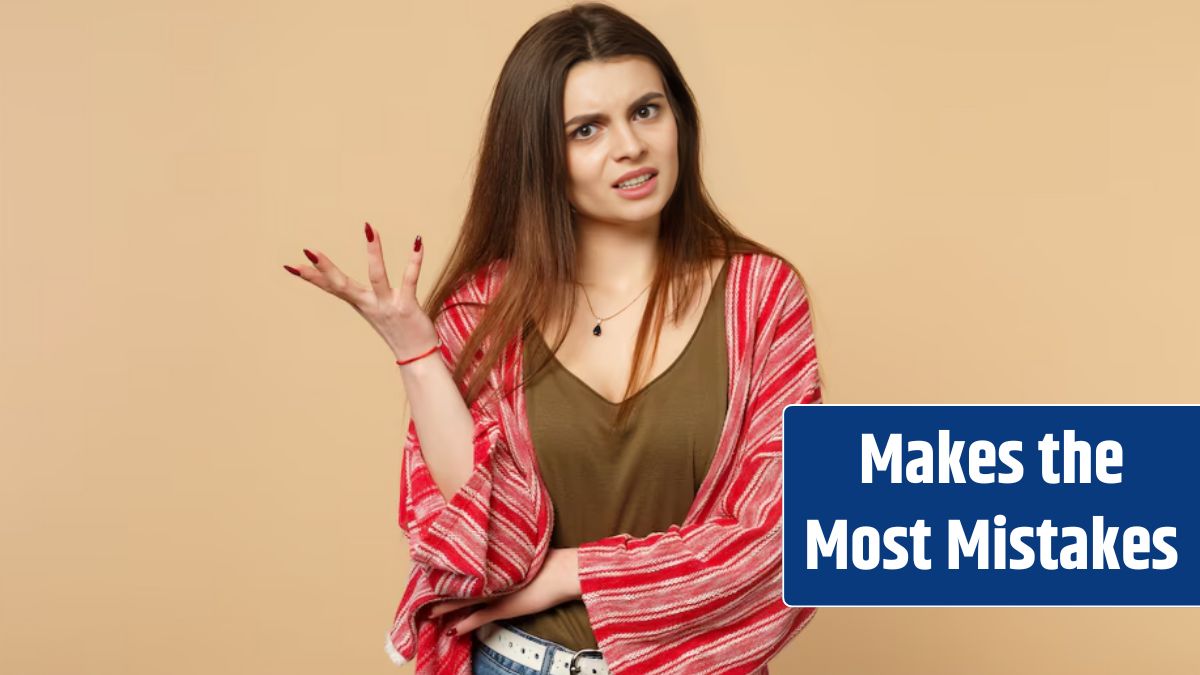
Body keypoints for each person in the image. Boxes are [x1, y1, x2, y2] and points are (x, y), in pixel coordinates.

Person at [283, 3, 822, 673]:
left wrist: (574, 571)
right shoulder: (485, 310)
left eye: (647, 111)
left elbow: (788, 539)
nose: (630, 145)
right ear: (540, 157)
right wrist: (416, 352)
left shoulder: (760, 297)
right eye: (587, 128)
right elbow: (487, 553)